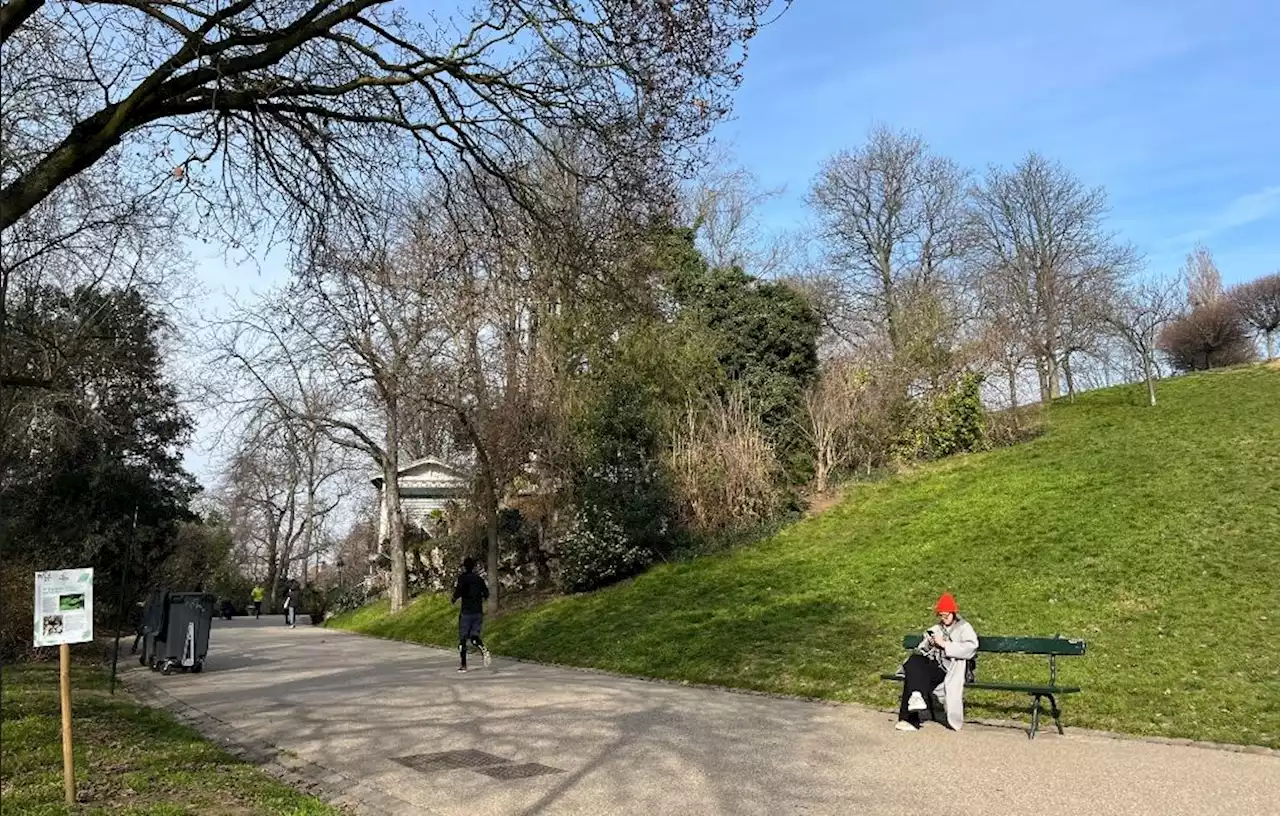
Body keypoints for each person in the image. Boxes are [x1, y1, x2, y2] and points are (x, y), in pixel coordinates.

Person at [895, 592, 979, 732]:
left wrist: (946, 645)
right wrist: (930, 643)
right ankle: (916, 697)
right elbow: (922, 648)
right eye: (941, 616)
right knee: (914, 662)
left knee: (915, 674)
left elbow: (971, 648)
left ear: (953, 613)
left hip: (951, 668)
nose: (943, 619)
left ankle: (909, 718)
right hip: (934, 664)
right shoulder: (937, 628)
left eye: (946, 616)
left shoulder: (964, 627)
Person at [451, 557, 490, 672]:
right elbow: (486, 593)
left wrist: (454, 598)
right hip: (477, 612)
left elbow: (459, 590)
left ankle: (463, 665)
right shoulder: (479, 579)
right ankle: (482, 647)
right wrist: (480, 598)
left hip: (466, 612)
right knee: (474, 637)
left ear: (464, 566)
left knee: (463, 640)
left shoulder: (463, 578)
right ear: (473, 566)